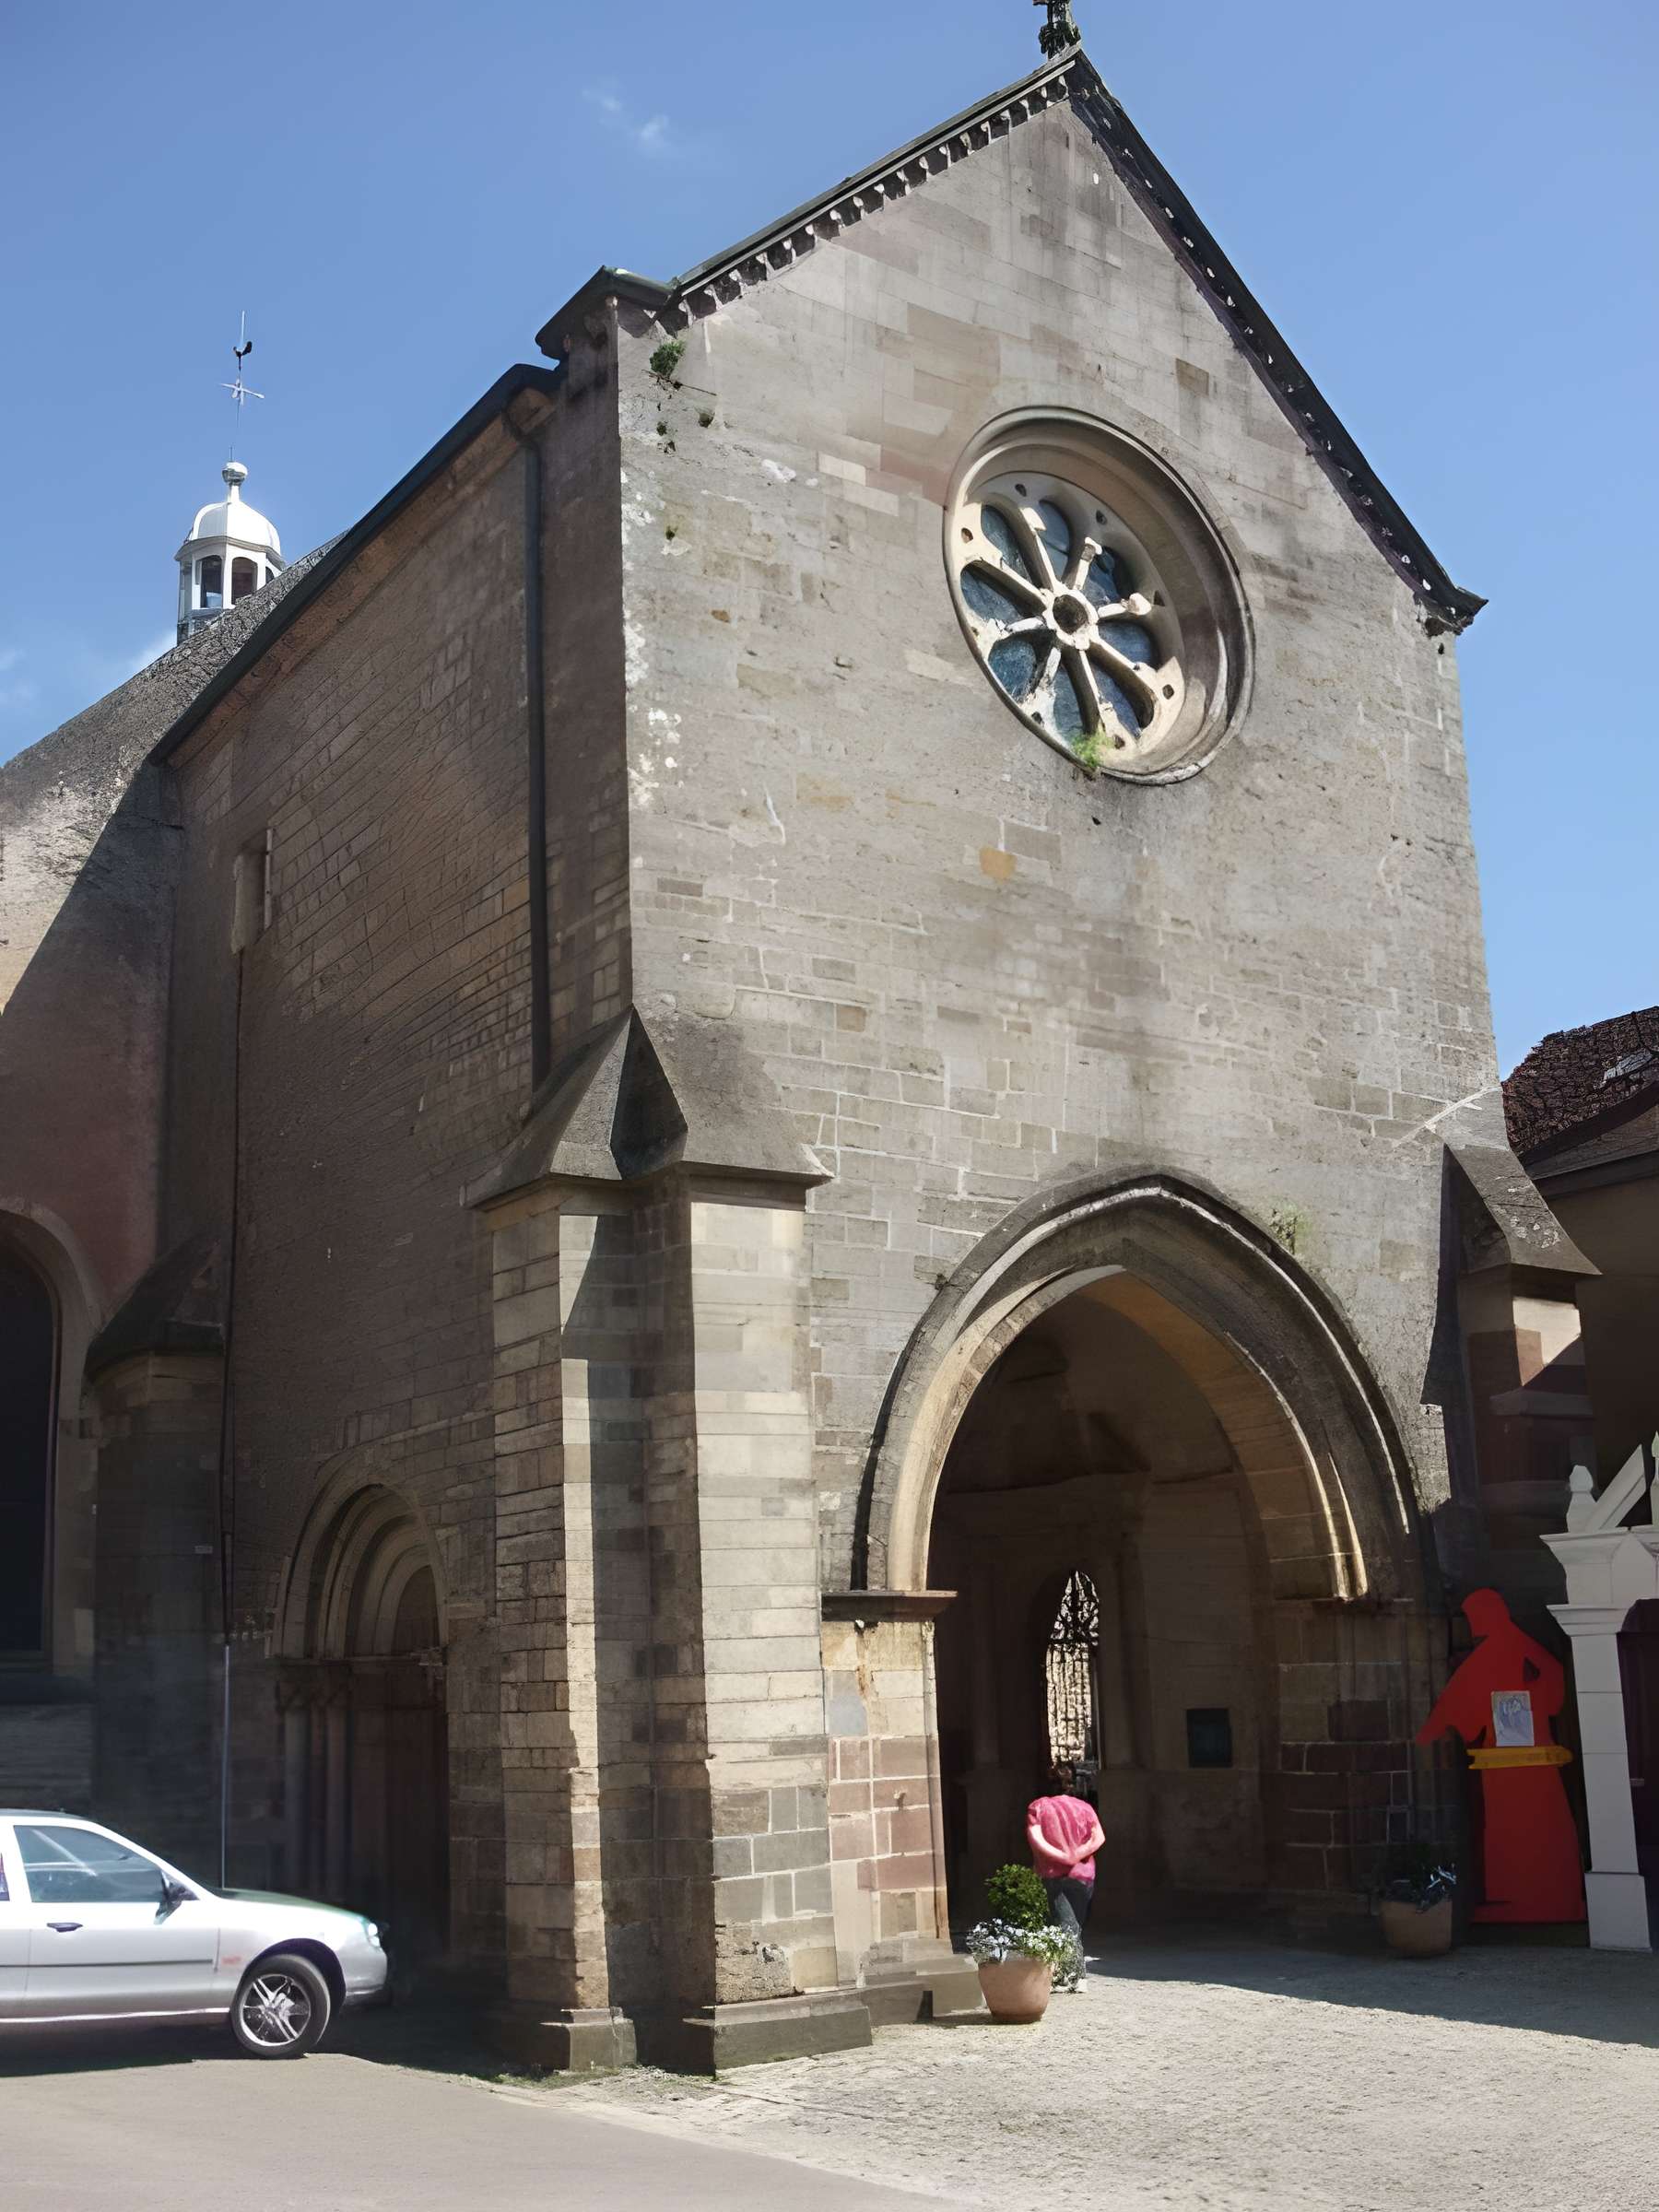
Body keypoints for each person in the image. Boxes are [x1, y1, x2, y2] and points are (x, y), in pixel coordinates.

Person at [1027, 1761, 1105, 1974]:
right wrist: (1077, 1855)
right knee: (1074, 1924)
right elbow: (1099, 1837)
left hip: (1053, 1873)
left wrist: (1062, 1857)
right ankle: (1070, 1971)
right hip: (1084, 1875)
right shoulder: (1085, 1808)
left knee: (1065, 1925)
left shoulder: (1038, 1807)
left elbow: (1036, 1839)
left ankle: (1073, 1975)